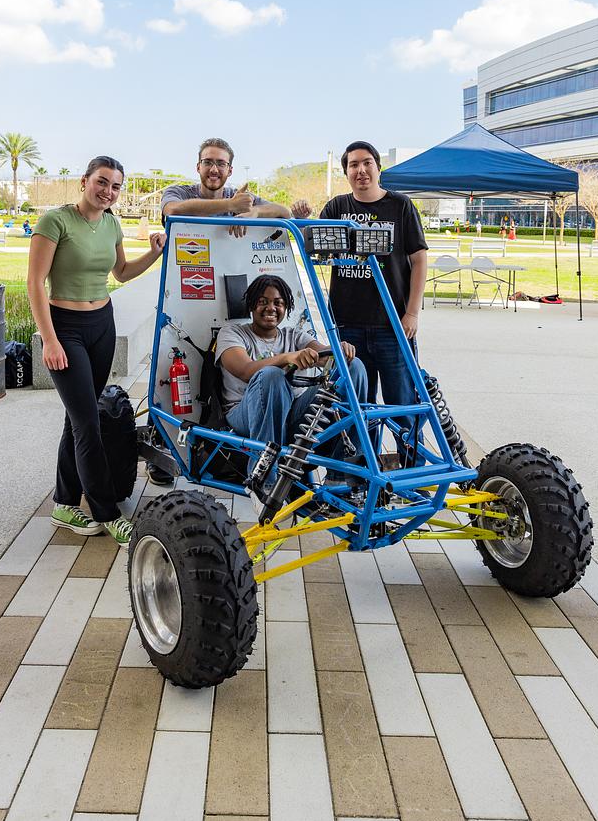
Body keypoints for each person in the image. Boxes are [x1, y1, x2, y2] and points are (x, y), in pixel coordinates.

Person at [27, 155, 166, 542]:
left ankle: (64, 503)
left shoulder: (111, 223)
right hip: (65, 328)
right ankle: (106, 512)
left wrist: (154, 253)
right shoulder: (55, 221)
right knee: (89, 423)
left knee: (79, 417)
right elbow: (35, 284)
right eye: (102, 182)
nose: (108, 192)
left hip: (101, 324)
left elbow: (120, 273)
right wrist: (50, 339)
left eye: (116, 186)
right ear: (84, 181)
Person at [321, 141, 428, 457]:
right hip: (348, 327)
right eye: (353, 165)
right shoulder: (336, 209)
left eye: (366, 163)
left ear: (378, 168)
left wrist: (411, 313)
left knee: (404, 408)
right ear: (346, 173)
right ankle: (363, 477)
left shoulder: (401, 206)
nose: (361, 170)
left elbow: (419, 260)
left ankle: (412, 476)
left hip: (393, 326)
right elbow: (316, 248)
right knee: (356, 410)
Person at [216, 274, 367, 475]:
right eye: (263, 302)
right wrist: (287, 358)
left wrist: (339, 351)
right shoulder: (232, 333)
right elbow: (245, 370)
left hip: (292, 413)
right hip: (244, 414)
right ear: (251, 305)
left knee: (353, 366)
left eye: (278, 303)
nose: (271, 308)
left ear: (285, 308)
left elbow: (323, 355)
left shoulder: (293, 334)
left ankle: (342, 477)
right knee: (271, 376)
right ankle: (264, 478)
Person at [162, 137, 310, 224]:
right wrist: (230, 205)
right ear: (198, 167)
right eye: (207, 162)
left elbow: (283, 212)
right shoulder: (178, 192)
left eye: (221, 164)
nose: (214, 169)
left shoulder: (241, 198)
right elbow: (171, 210)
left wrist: (255, 212)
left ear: (230, 170)